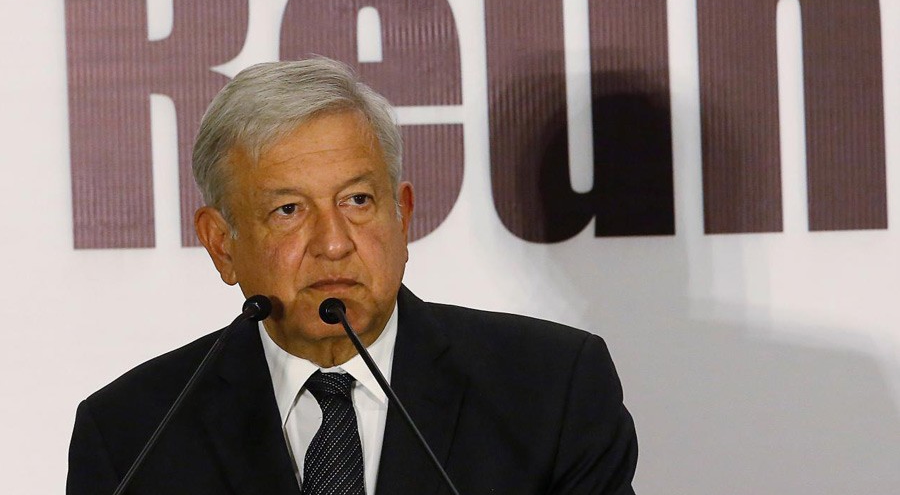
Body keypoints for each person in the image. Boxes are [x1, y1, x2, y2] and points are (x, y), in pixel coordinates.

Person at [67, 58, 638, 494]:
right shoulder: (131, 435)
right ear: (222, 244)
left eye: (358, 200)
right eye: (288, 210)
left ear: (403, 215)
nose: (334, 243)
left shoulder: (549, 391)